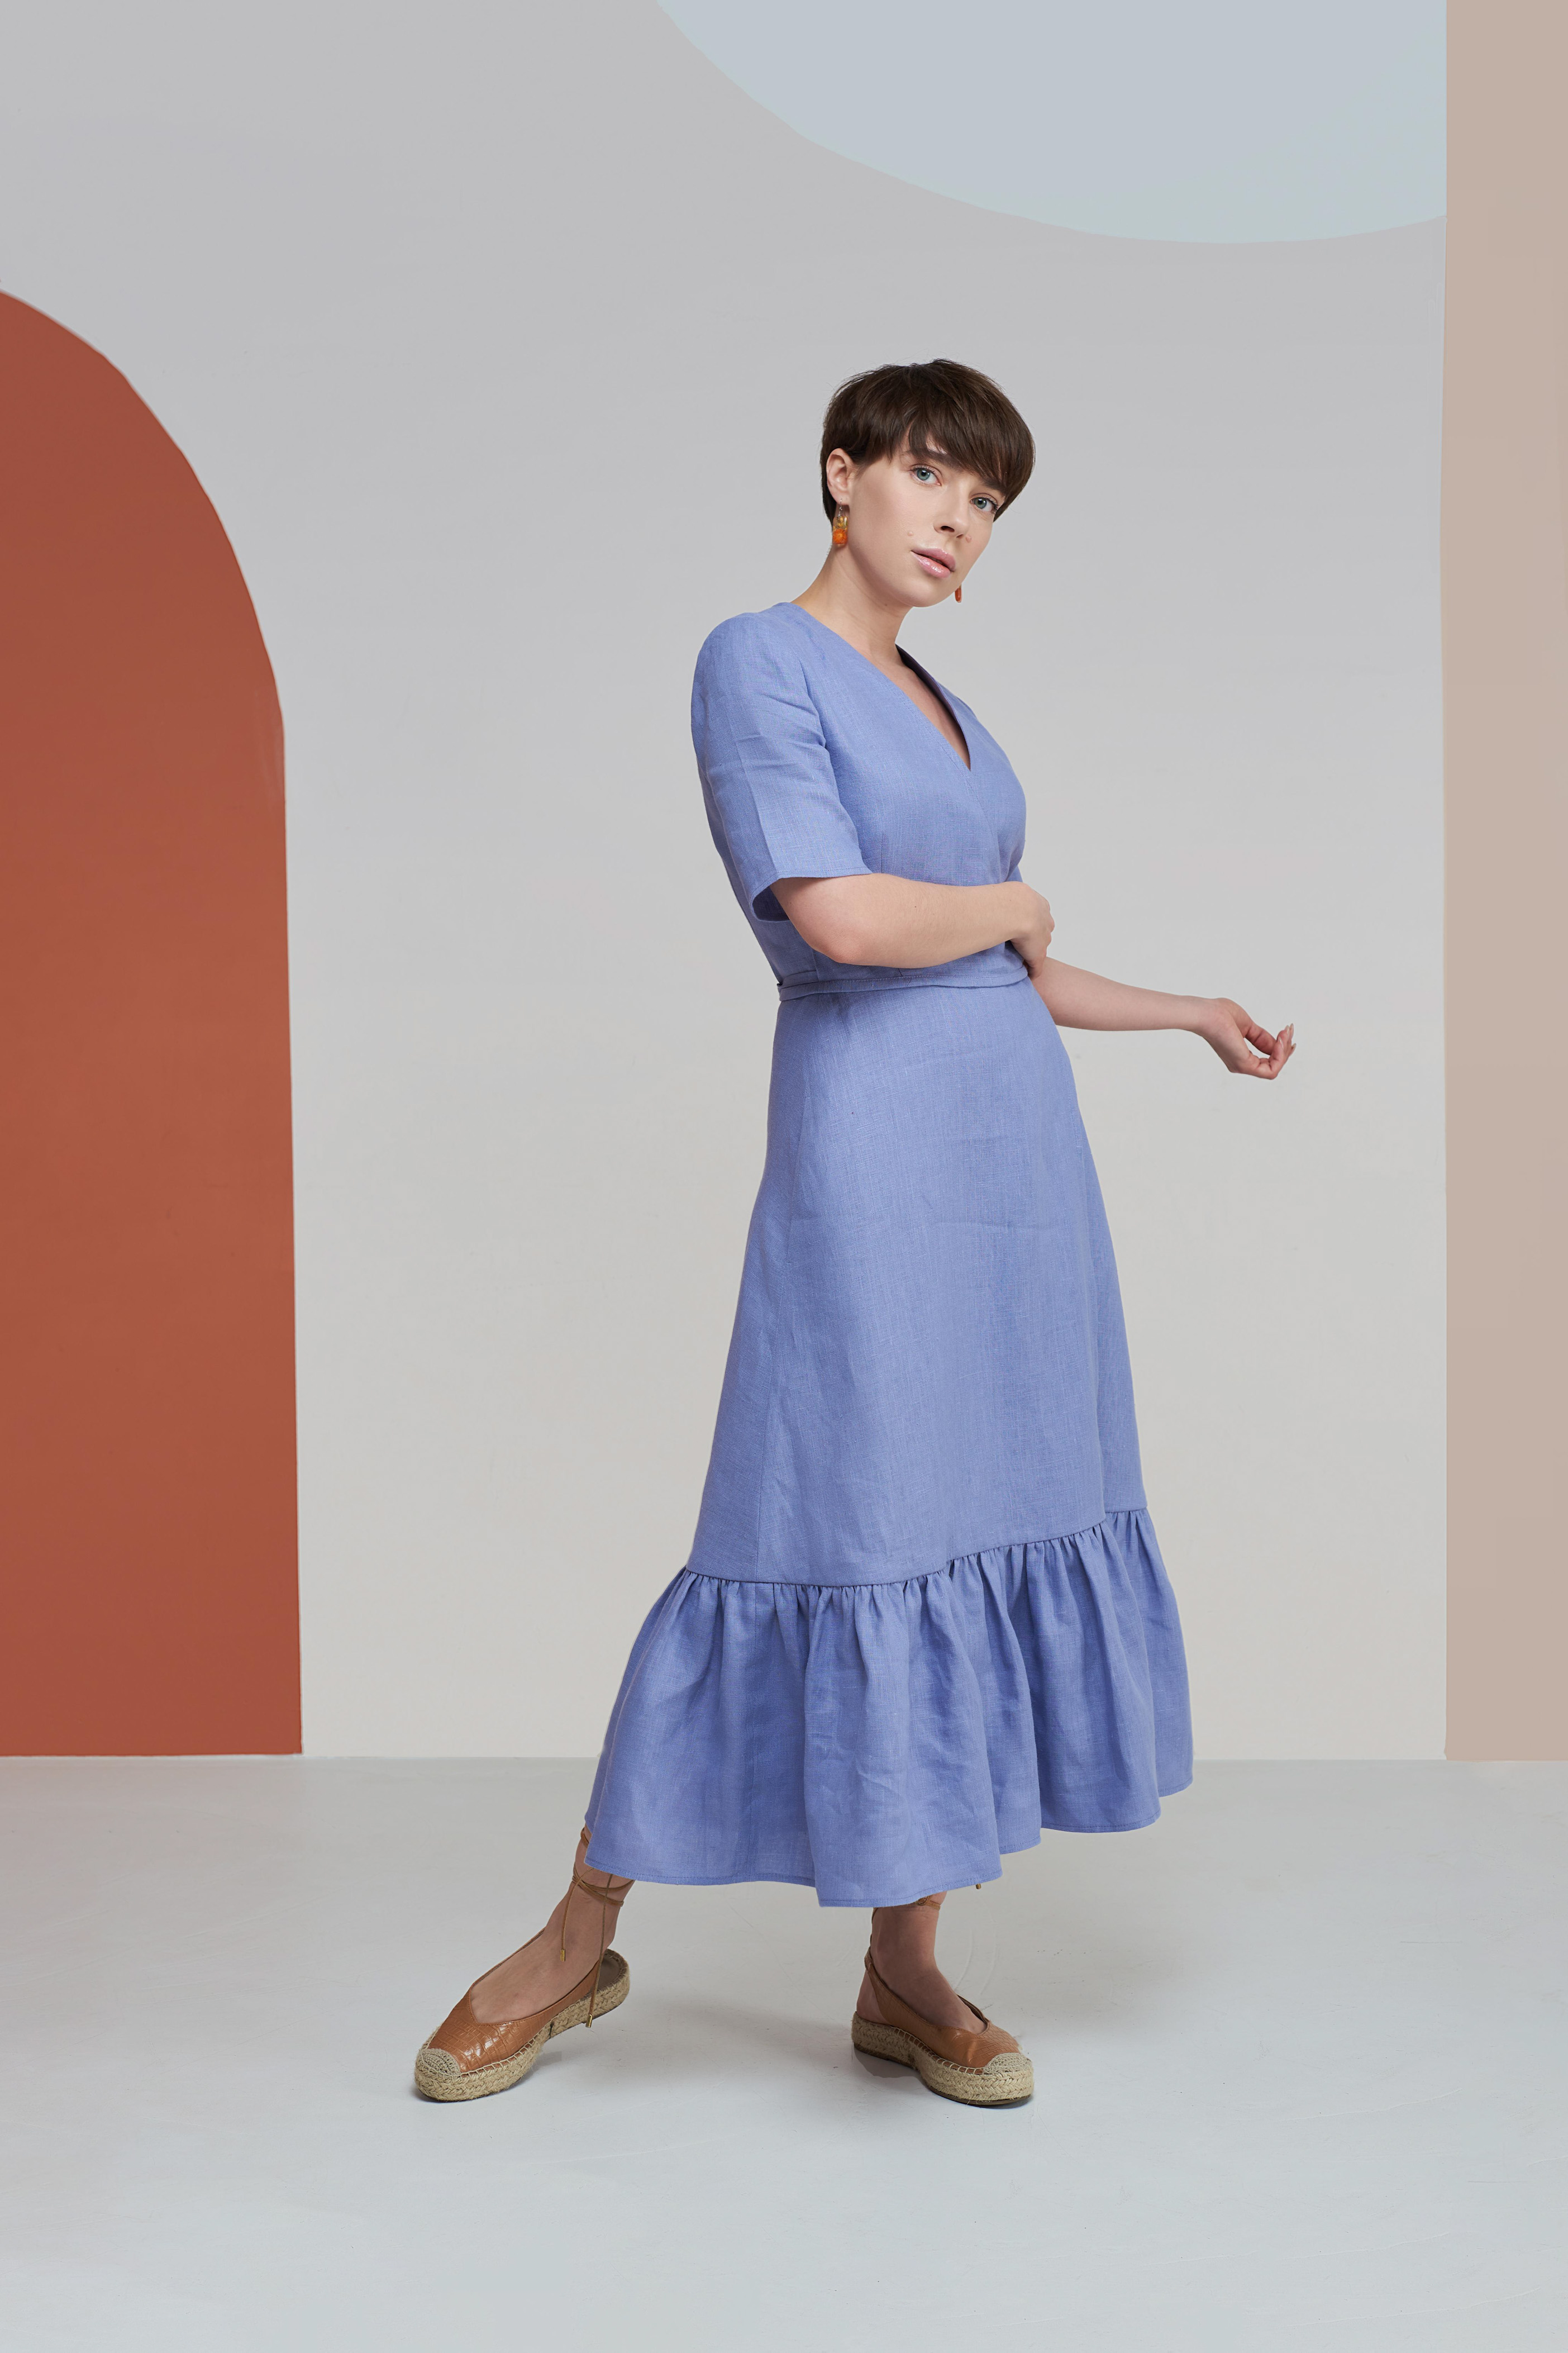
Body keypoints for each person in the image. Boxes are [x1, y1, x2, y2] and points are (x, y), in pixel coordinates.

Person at [414, 358, 1294, 2110]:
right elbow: (838, 916)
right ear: (842, 474)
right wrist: (1015, 895)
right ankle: (579, 1935)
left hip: (1015, 1173)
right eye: (934, 476)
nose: (961, 520)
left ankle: (907, 1965)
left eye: (989, 501)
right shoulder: (758, 659)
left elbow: (1009, 969)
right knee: (823, 1511)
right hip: (874, 1154)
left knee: (964, 1519)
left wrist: (1189, 1009)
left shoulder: (953, 709)